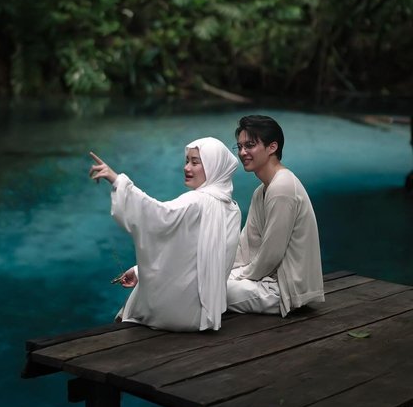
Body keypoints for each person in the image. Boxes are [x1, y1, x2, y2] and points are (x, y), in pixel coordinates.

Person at [89, 137, 241, 332]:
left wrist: (117, 180)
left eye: (195, 162)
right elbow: (191, 255)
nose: (187, 168)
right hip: (208, 312)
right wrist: (138, 271)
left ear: (214, 166)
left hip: (179, 315)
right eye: (187, 161)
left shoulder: (196, 201)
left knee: (135, 303)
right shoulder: (232, 209)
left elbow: (157, 215)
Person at [227, 115, 324, 317]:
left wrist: (234, 277)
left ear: (272, 147)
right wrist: (223, 269)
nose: (243, 152)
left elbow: (271, 254)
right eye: (240, 146)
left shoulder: (282, 188)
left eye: (250, 145)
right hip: (266, 280)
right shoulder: (260, 191)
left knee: (210, 290)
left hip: (285, 290)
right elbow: (246, 245)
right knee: (206, 280)